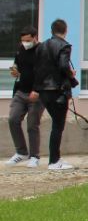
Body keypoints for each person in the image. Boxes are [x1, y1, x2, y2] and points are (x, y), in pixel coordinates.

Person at [32, 18, 75, 171]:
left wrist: (37, 89)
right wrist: (71, 74)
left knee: (56, 125)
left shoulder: (41, 46)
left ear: (51, 31)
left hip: (44, 91)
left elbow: (37, 69)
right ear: (66, 30)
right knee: (58, 126)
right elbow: (63, 65)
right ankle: (54, 161)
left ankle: (56, 158)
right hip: (58, 91)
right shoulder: (64, 46)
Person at [7, 26, 43, 168]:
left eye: (28, 40)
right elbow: (17, 65)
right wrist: (15, 71)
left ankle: (34, 156)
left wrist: (37, 90)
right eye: (23, 40)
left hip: (37, 94)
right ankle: (21, 152)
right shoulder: (21, 49)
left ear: (35, 37)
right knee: (13, 119)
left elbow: (45, 72)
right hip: (21, 91)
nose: (25, 43)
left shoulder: (42, 51)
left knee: (32, 125)